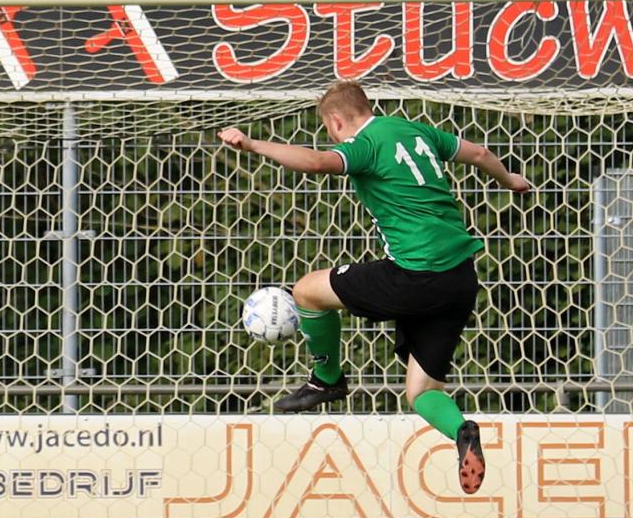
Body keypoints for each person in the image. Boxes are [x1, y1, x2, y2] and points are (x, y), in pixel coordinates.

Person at [218, 80, 531, 495]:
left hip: (416, 275)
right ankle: (463, 432)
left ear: (335, 121)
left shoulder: (365, 143)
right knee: (421, 391)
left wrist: (253, 144)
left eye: (329, 129)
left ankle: (327, 377)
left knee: (308, 291)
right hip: (459, 277)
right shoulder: (415, 130)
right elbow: (479, 153)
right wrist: (510, 180)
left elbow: (315, 163)